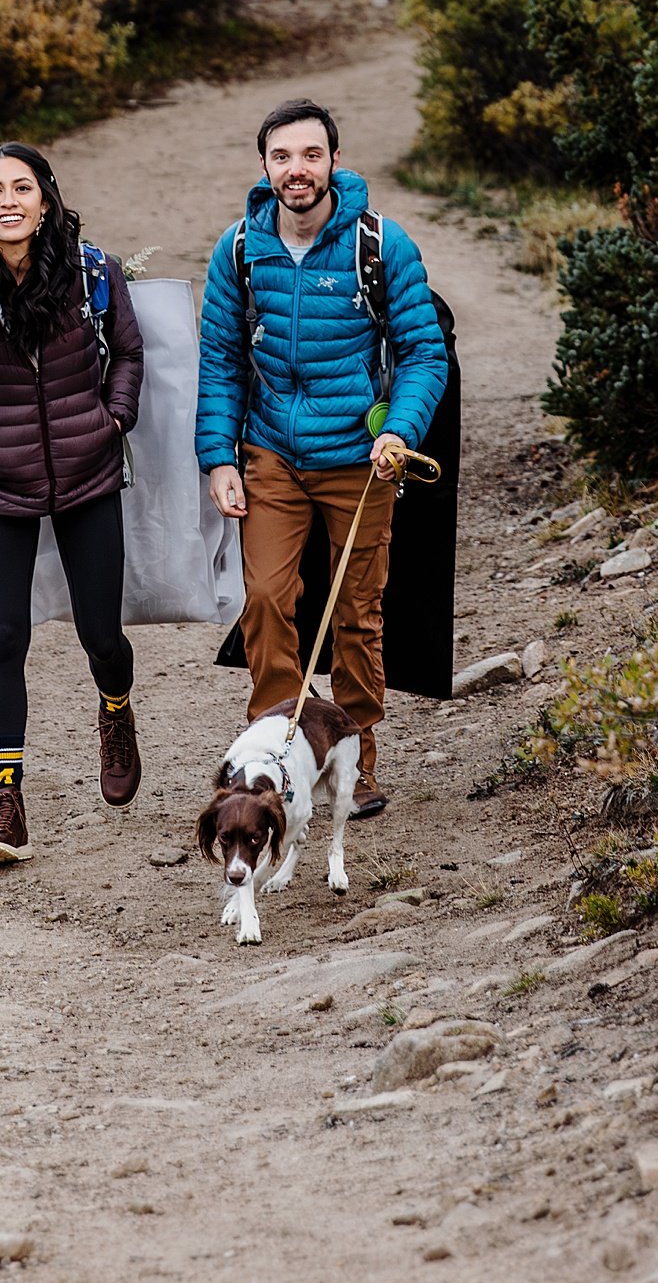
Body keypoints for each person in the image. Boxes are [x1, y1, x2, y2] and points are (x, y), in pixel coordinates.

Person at [196, 98, 449, 817]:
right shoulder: (241, 248)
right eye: (282, 156)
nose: (296, 169)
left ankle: (353, 760)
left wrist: (398, 429)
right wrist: (218, 456)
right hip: (271, 449)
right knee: (269, 599)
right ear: (265, 166)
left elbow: (423, 351)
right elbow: (219, 359)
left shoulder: (379, 243)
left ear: (334, 160)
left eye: (311, 154)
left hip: (359, 459)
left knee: (358, 615)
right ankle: (274, 754)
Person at [0, 141, 145, 867]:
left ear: (45, 200)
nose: (9, 200)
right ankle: (6, 800)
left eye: (22, 186)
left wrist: (114, 418)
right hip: (1, 486)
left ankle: (115, 710)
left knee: (101, 635)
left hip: (88, 474)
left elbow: (129, 354)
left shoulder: (93, 272)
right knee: (6, 638)